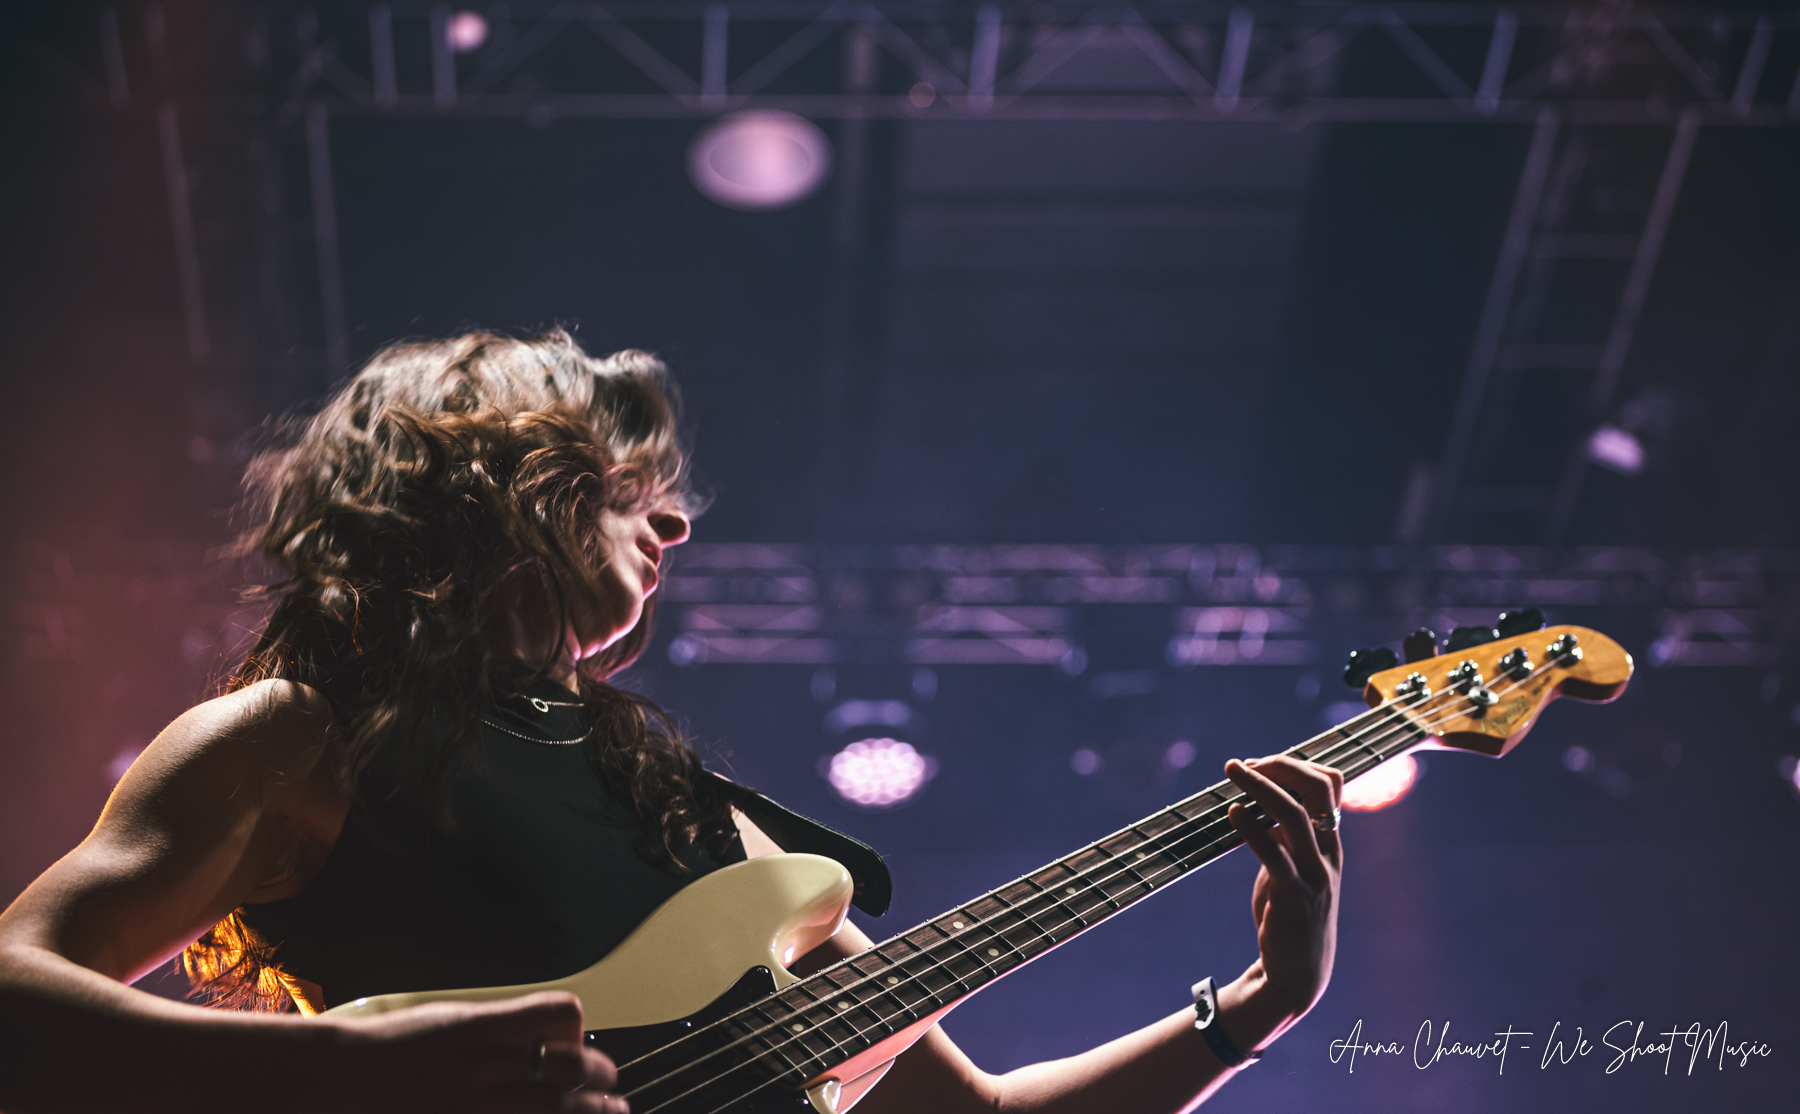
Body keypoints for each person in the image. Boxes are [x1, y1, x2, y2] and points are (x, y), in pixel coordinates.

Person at [0, 331, 1344, 1114]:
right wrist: (343, 1074)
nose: (679, 520)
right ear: (498, 481)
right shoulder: (301, 736)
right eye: (628, 483)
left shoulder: (715, 827)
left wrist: (1255, 1009)